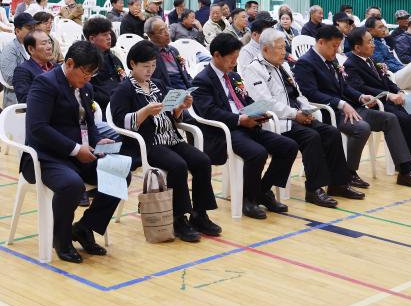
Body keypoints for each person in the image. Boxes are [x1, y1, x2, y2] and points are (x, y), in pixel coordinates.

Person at [22, 41, 127, 263]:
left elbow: (87, 125)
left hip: (80, 153)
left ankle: (84, 227)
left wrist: (99, 141)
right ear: (69, 64)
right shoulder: (45, 84)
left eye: (92, 74)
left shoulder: (86, 88)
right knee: (72, 184)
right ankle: (61, 240)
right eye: (86, 73)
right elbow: (38, 128)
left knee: (120, 171)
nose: (89, 79)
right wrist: (75, 149)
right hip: (45, 156)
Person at [292, 25, 411, 190]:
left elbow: (344, 87)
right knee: (362, 128)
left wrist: (359, 96)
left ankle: (405, 171)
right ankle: (348, 172)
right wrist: (342, 104)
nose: (337, 51)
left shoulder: (332, 59)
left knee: (390, 118)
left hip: (350, 107)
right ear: (321, 42)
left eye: (338, 46)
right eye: (334, 46)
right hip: (329, 111)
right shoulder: (305, 63)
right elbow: (311, 93)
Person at [111, 41, 221, 241]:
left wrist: (181, 107)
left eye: (153, 65)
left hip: (170, 137)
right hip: (148, 143)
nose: (150, 70)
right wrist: (144, 112)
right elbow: (121, 123)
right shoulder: (124, 90)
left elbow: (172, 116)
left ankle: (200, 214)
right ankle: (178, 218)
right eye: (146, 66)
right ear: (133, 64)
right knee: (177, 166)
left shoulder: (158, 85)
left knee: (202, 161)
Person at [240, 29, 362, 208]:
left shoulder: (284, 65)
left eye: (284, 48)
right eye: (280, 48)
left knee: (331, 132)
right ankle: (314, 189)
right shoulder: (253, 69)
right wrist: (294, 114)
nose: (284, 52)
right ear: (265, 50)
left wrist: (306, 109)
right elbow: (266, 103)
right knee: (311, 137)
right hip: (278, 122)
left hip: (296, 116)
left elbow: (299, 94)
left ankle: (338, 183)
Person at [191, 33, 295, 219]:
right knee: (257, 153)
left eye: (237, 58)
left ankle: (262, 191)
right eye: (231, 59)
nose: (234, 63)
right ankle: (249, 200)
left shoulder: (234, 76)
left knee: (288, 146)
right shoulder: (202, 80)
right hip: (226, 130)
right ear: (216, 56)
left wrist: (258, 111)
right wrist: (239, 120)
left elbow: (246, 99)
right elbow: (210, 112)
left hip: (248, 124)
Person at [343, 28, 411, 170]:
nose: (373, 45)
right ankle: (404, 163)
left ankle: (406, 156)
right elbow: (361, 88)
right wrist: (387, 94)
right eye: (369, 42)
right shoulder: (351, 65)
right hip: (376, 104)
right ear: (357, 47)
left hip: (393, 101)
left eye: (372, 41)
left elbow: (387, 81)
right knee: (405, 119)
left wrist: (399, 91)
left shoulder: (371, 60)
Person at [365, 16, 411, 93]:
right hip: (391, 77)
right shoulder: (372, 45)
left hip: (399, 71)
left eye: (384, 26)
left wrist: (387, 37)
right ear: (371, 30)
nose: (384, 29)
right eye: (380, 27)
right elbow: (381, 64)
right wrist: (402, 69)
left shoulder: (385, 40)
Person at [84, 16, 125, 108]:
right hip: (100, 107)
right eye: (104, 35)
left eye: (109, 34)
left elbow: (123, 79)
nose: (109, 38)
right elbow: (87, 90)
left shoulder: (113, 58)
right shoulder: (86, 61)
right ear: (92, 39)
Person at [0, 13, 37, 106]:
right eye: (29, 28)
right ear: (17, 31)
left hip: (36, 90)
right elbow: (10, 78)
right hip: (18, 96)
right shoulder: (10, 49)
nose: (33, 31)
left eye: (34, 27)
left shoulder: (34, 45)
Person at [13, 29, 56, 104]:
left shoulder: (56, 67)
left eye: (49, 42)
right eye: (44, 43)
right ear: (31, 49)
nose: (49, 47)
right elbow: (25, 99)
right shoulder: (22, 71)